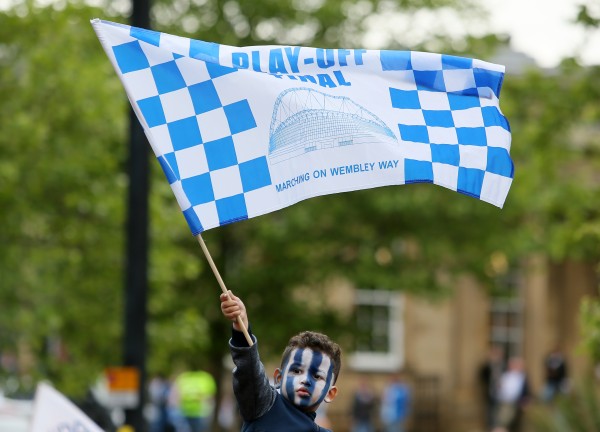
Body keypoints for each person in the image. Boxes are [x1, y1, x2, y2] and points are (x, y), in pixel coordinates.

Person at [220, 290, 341, 431]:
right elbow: (249, 370)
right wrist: (241, 327)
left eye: (317, 376)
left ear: (330, 393)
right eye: (296, 370)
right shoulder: (263, 405)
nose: (305, 380)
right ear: (278, 377)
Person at [494, 357, 529, 432]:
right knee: (503, 421)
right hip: (506, 402)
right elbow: (501, 389)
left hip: (519, 403)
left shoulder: (523, 377)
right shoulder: (506, 376)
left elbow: (527, 391)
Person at [478, 346, 504, 430]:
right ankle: (491, 427)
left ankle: (499, 427)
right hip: (490, 392)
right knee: (490, 411)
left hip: (502, 393)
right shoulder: (487, 366)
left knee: (500, 411)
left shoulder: (503, 366)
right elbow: (482, 377)